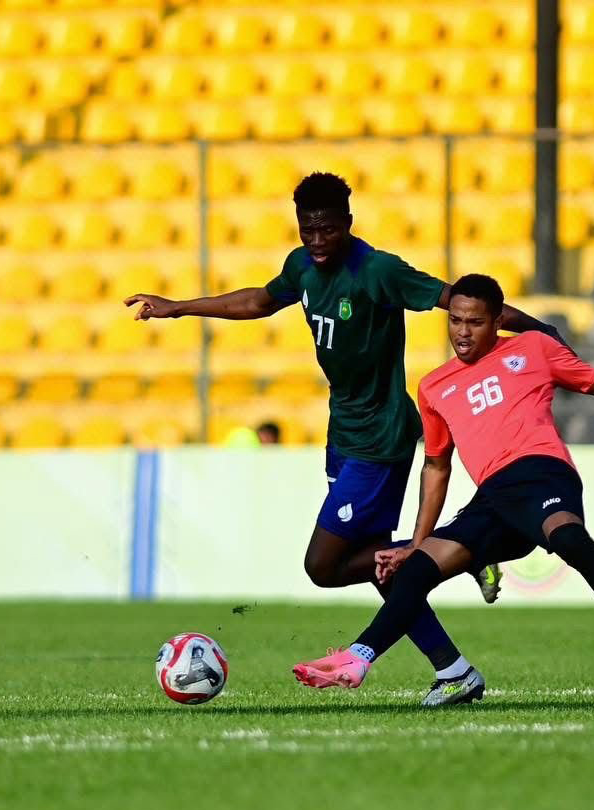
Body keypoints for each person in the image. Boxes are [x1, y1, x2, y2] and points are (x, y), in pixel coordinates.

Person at [123, 172, 550, 705]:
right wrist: (180, 306)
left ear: (348, 223)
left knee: (322, 565)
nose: (318, 240)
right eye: (308, 230)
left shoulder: (377, 270)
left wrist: (540, 333)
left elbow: (461, 301)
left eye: (327, 229)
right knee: (379, 565)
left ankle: (457, 553)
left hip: (380, 437)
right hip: (343, 431)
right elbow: (259, 301)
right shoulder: (301, 265)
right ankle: (454, 667)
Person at [291, 273, 594, 704]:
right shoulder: (434, 387)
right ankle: (360, 658)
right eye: (455, 320)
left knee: (570, 540)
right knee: (414, 569)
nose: (462, 332)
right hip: (493, 499)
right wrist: (417, 542)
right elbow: (436, 467)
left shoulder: (533, 348)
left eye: (475, 322)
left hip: (542, 473)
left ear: (499, 319)